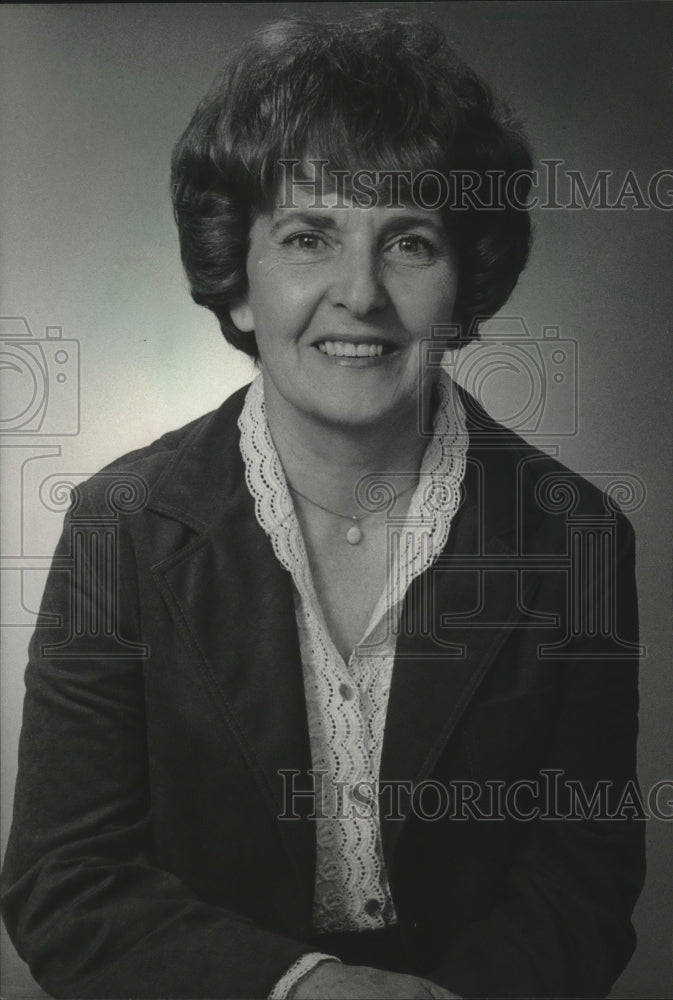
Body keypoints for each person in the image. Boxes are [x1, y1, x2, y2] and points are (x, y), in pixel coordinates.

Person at [1, 12, 644, 1000]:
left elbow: (582, 879)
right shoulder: (115, 528)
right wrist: (301, 988)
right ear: (239, 277)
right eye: (309, 236)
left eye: (409, 243)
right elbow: (65, 878)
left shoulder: (577, 538)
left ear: (467, 292)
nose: (359, 293)